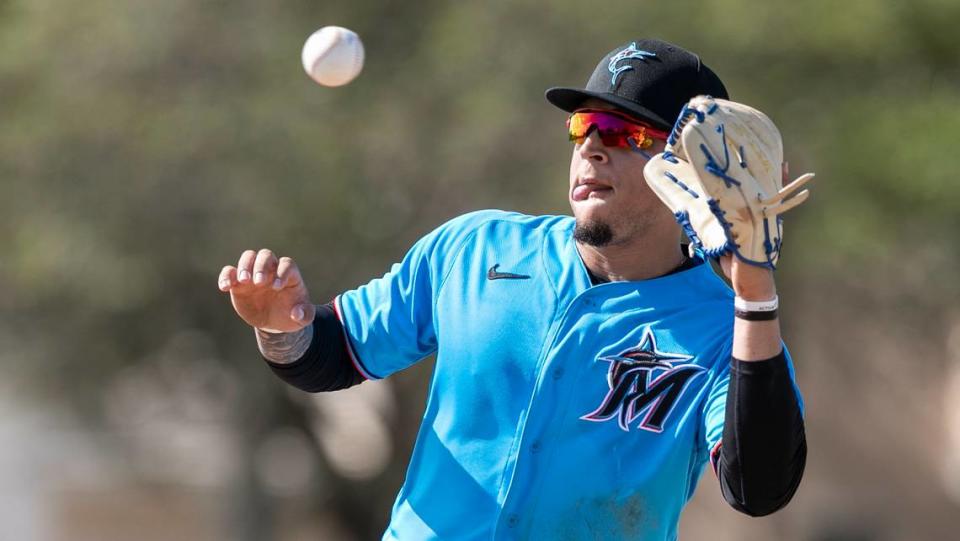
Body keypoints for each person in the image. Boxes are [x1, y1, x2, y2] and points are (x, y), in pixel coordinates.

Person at [217, 38, 806, 541]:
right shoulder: (475, 249)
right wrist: (282, 324)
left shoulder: (723, 330)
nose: (590, 147)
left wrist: (753, 291)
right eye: (581, 126)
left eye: (623, 132)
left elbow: (758, 489)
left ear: (694, 169)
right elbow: (332, 355)